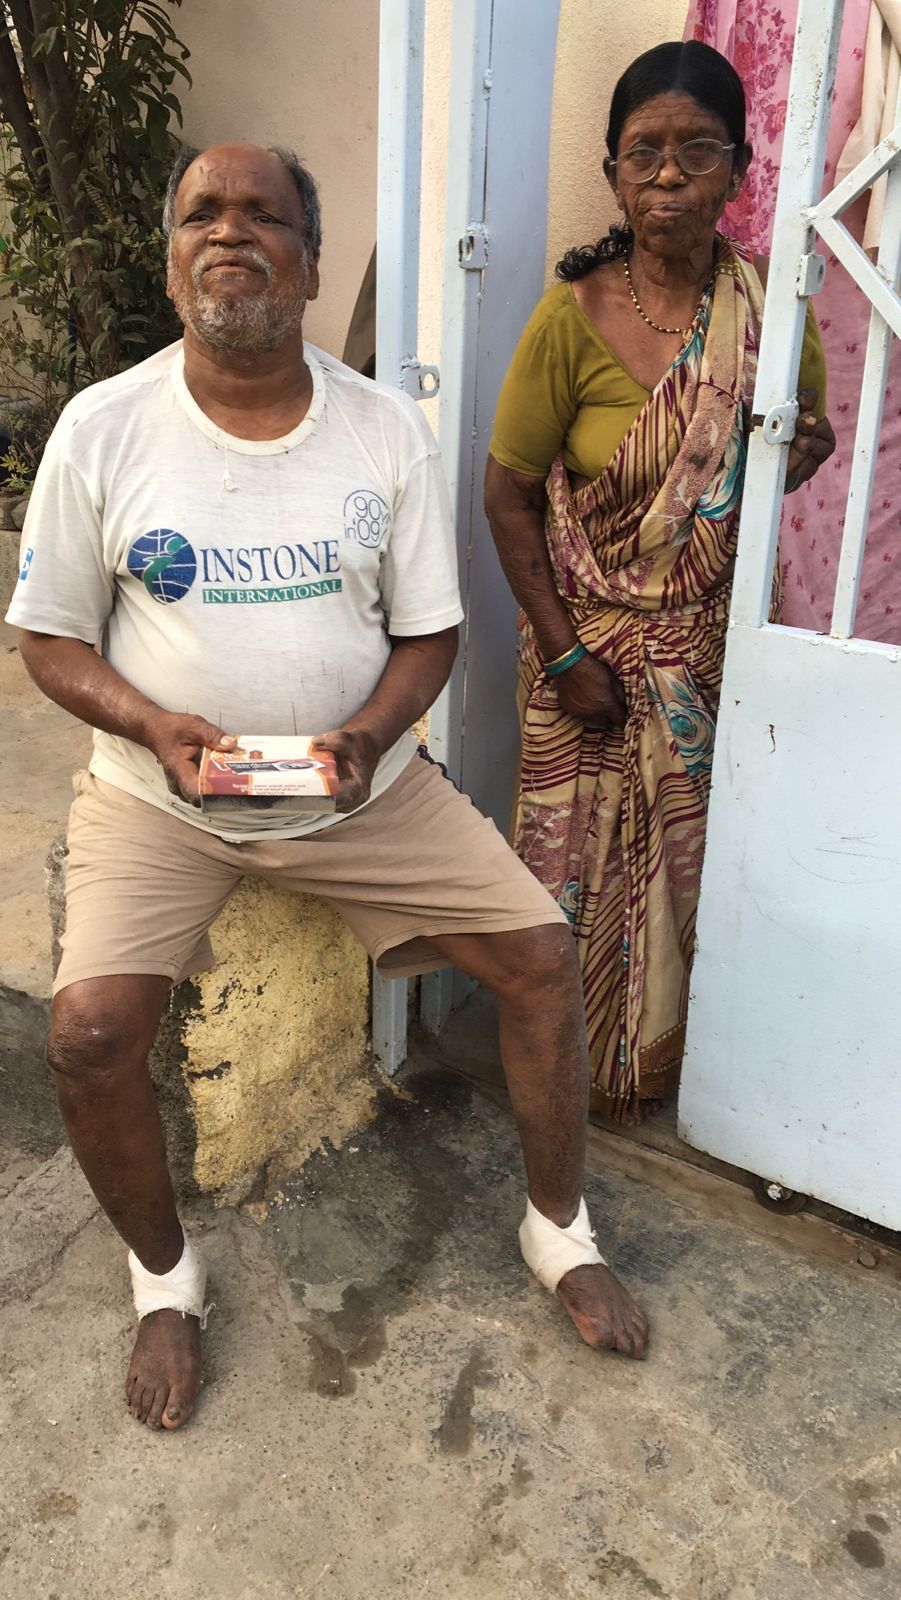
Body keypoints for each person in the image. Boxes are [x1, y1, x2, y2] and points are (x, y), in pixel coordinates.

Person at [6, 143, 649, 1432]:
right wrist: (152, 724)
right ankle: (164, 1279)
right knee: (86, 1034)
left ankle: (557, 1228)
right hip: (161, 799)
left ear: (308, 264)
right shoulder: (104, 426)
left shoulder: (381, 428)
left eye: (264, 215)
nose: (228, 231)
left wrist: (365, 734)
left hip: (363, 790)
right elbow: (50, 639)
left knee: (538, 958)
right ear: (171, 263)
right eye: (201, 213)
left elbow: (429, 633)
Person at [485, 41, 835, 1124]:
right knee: (571, 876)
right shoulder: (569, 316)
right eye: (643, 153)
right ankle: (572, 1074)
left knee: (699, 868)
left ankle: (679, 1072)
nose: (669, 175)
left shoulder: (769, 314)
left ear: (738, 171)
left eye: (697, 151)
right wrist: (566, 654)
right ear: (612, 175)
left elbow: (794, 446)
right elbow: (506, 497)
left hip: (707, 653)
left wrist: (787, 456)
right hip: (581, 656)